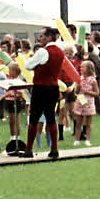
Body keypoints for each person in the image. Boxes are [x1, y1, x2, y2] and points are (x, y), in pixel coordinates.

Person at [22, 26, 67, 159]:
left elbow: (27, 65)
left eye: (41, 36)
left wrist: (36, 65)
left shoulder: (43, 51)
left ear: (48, 37)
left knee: (34, 119)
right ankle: (54, 149)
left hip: (40, 87)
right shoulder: (60, 52)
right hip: (53, 87)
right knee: (51, 118)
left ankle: (28, 149)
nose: (39, 38)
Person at [72, 60, 99, 145]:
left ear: (88, 69)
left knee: (88, 122)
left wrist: (87, 91)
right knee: (78, 121)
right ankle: (77, 140)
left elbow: (96, 93)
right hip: (80, 101)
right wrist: (78, 87)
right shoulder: (79, 78)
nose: (81, 68)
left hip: (88, 102)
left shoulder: (92, 80)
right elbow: (77, 91)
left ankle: (87, 139)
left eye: (83, 67)